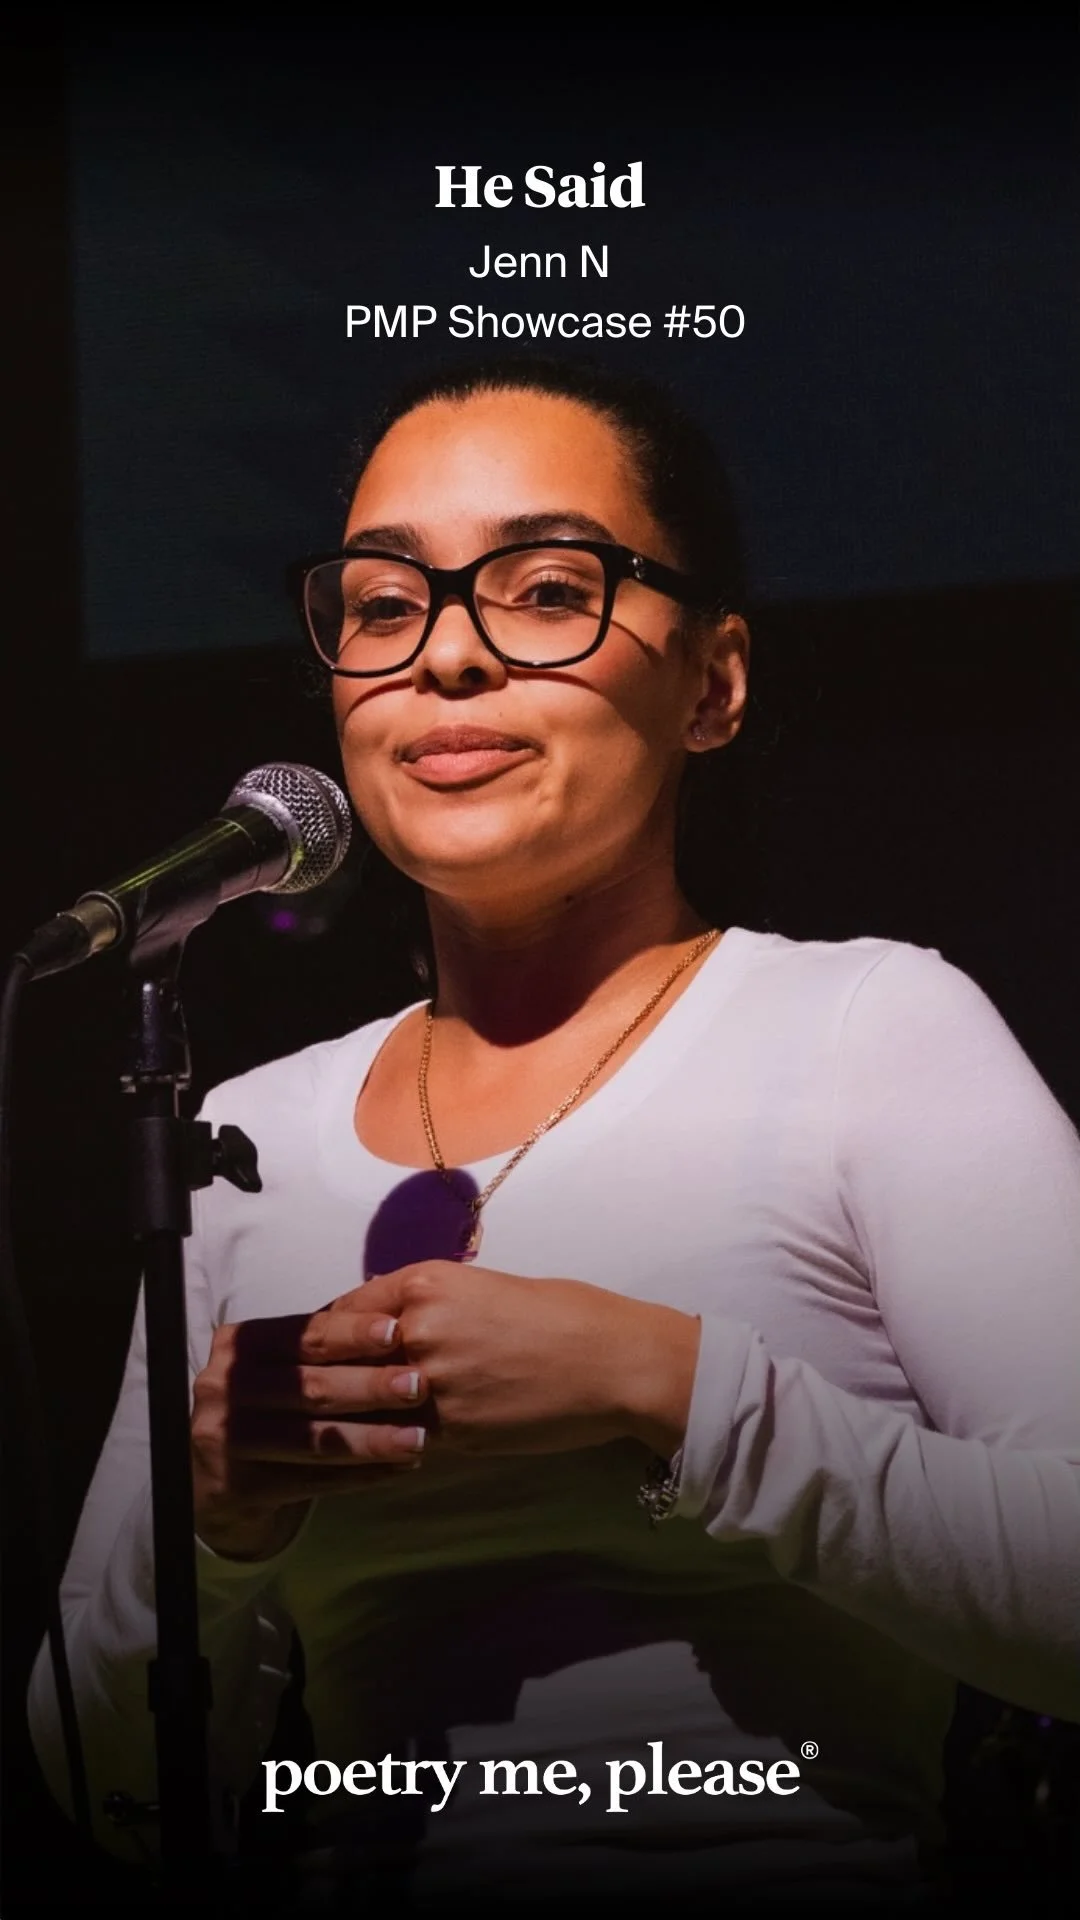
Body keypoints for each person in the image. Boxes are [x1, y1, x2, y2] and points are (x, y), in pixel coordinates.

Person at [28, 358, 1080, 1913]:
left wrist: (669, 1384)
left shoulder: (869, 1030)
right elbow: (108, 1795)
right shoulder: (240, 1135)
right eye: (384, 605)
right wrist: (217, 1530)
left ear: (713, 684)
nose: (446, 654)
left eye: (544, 591)